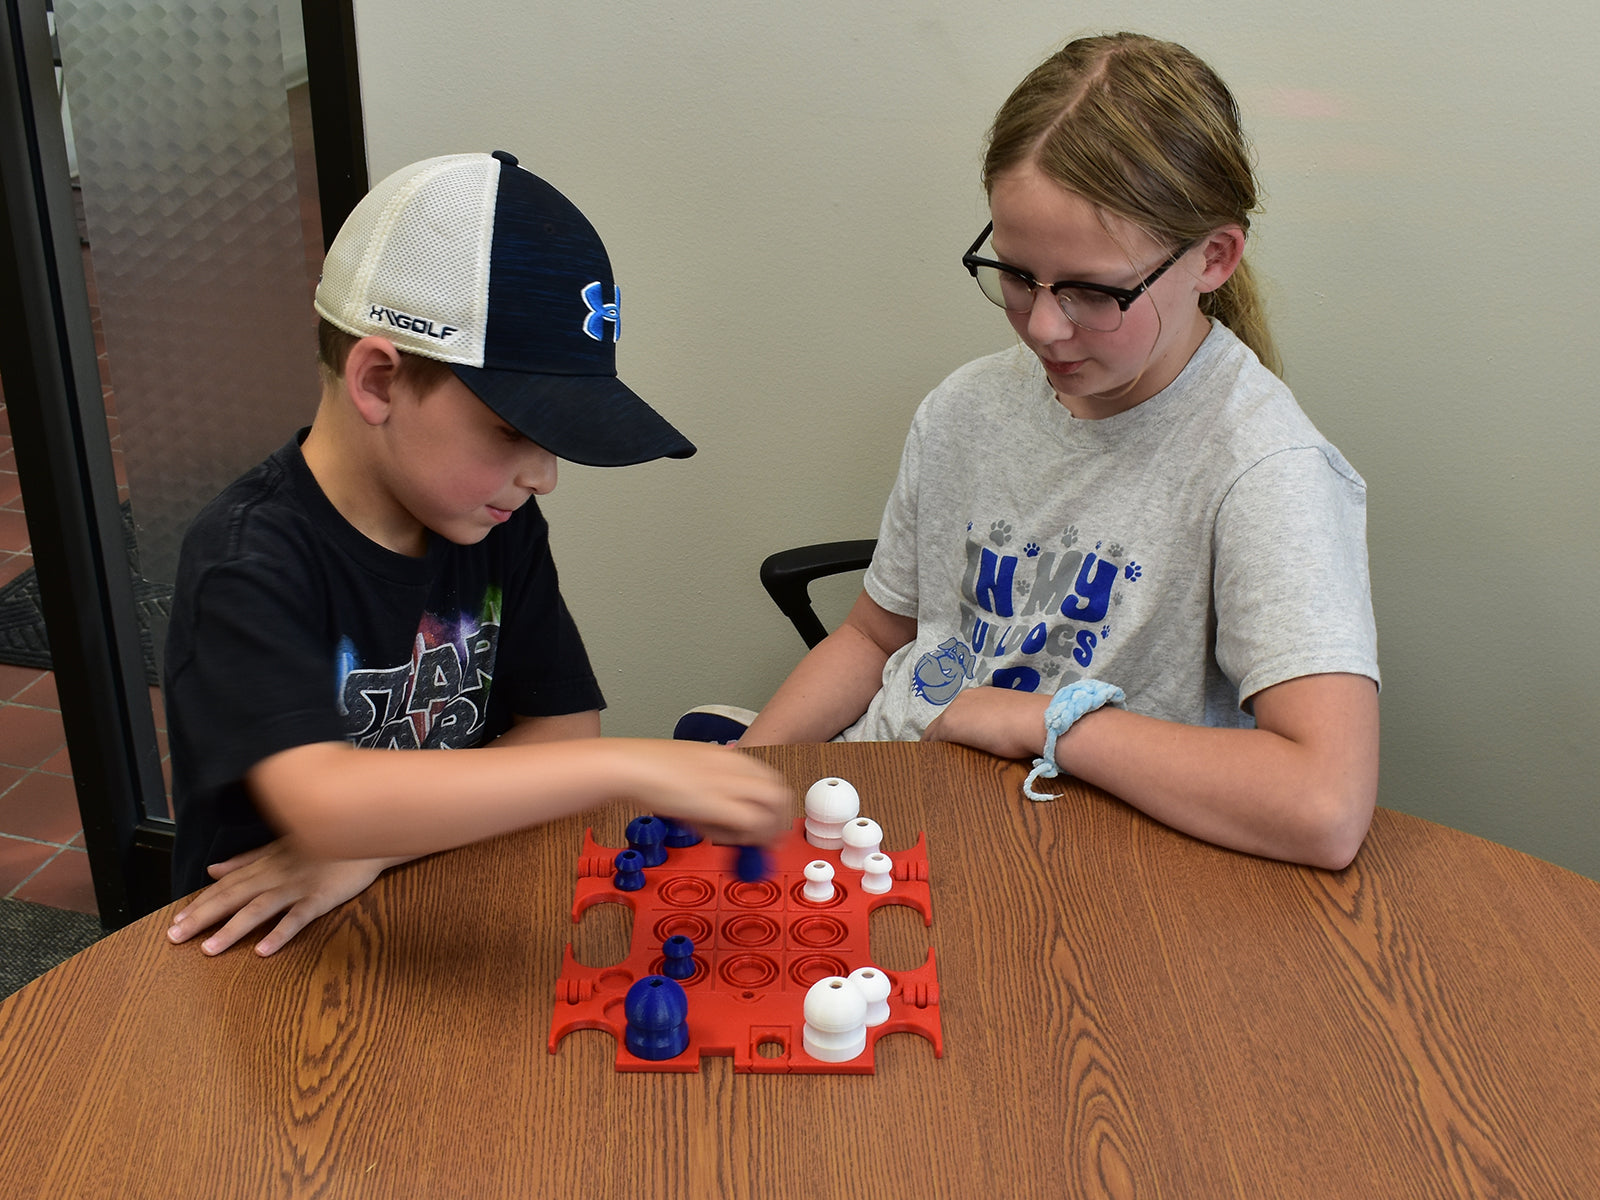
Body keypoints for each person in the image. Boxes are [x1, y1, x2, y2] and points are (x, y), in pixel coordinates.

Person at [735, 33, 1380, 870]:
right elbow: (870, 639)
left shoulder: (1264, 469)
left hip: (1068, 858)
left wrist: (1039, 720)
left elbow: (1322, 807)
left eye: (1093, 291)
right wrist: (745, 774)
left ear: (1212, 258)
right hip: (887, 800)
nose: (1042, 327)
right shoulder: (965, 406)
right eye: (1016, 274)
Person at [165, 150, 791, 957]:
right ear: (379, 382)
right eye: (511, 432)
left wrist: (370, 847)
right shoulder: (246, 560)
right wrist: (632, 769)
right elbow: (323, 801)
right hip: (259, 948)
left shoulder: (492, 521)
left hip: (432, 899)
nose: (544, 476)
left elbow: (564, 728)